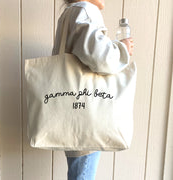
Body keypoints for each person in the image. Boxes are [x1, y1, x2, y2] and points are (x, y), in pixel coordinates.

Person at [52, 0, 134, 179]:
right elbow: (101, 59)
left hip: (72, 113)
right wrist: (123, 49)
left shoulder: (69, 13)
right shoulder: (86, 10)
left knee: (78, 172)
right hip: (87, 115)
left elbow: (87, 52)